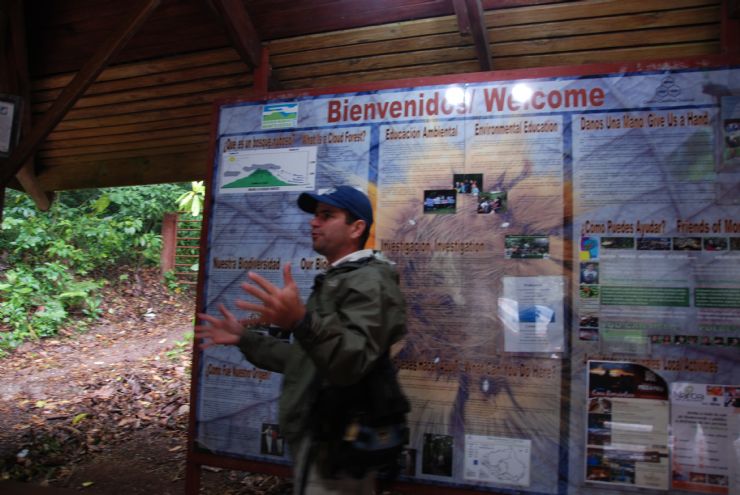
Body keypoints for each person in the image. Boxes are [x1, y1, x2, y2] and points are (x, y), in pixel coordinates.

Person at [195, 185, 408, 494]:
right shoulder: (342, 277)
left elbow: (351, 362)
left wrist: (300, 321)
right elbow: (307, 361)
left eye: (327, 215)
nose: (313, 222)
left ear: (356, 228)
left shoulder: (369, 280)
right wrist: (245, 339)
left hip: (342, 443)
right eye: (315, 215)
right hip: (323, 438)